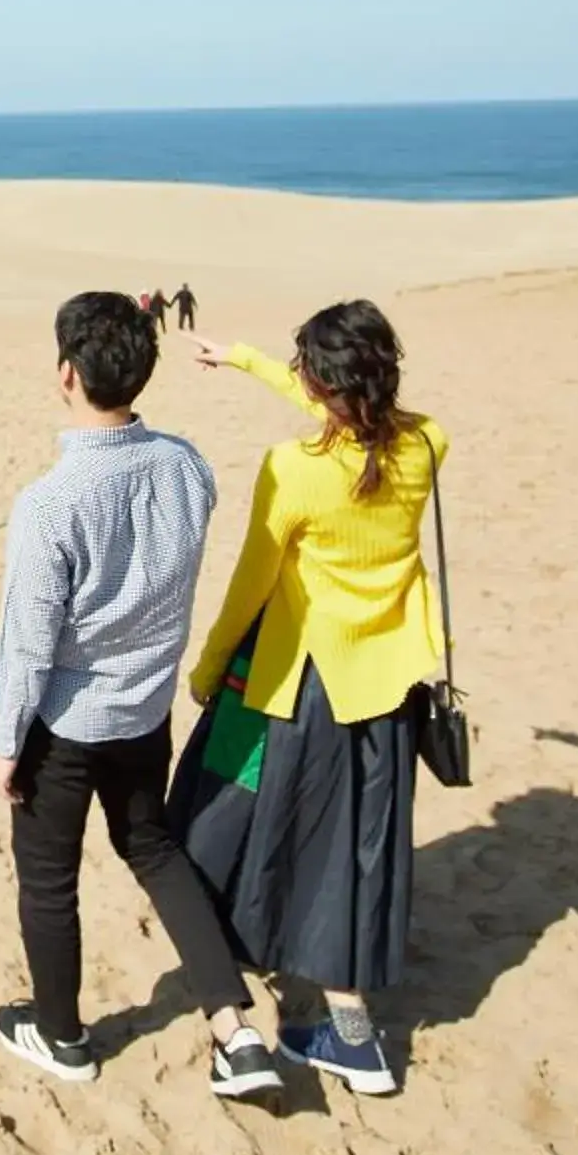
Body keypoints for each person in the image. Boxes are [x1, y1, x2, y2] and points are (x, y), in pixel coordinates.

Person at [0, 292, 280, 1099]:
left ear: (66, 375)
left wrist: (6, 743)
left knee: (48, 882)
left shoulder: (49, 503)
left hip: (66, 728)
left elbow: (27, 643)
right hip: (147, 717)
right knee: (153, 851)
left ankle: (62, 1037)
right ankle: (236, 1029)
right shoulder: (188, 465)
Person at [168, 304, 443, 1097]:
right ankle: (351, 1030)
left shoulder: (293, 469)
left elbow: (252, 581)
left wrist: (210, 664)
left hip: (297, 685)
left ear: (322, 384)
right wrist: (250, 361)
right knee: (356, 843)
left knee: (228, 809)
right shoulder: (426, 445)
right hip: (388, 688)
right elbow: (356, 421)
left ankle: (320, 1021)